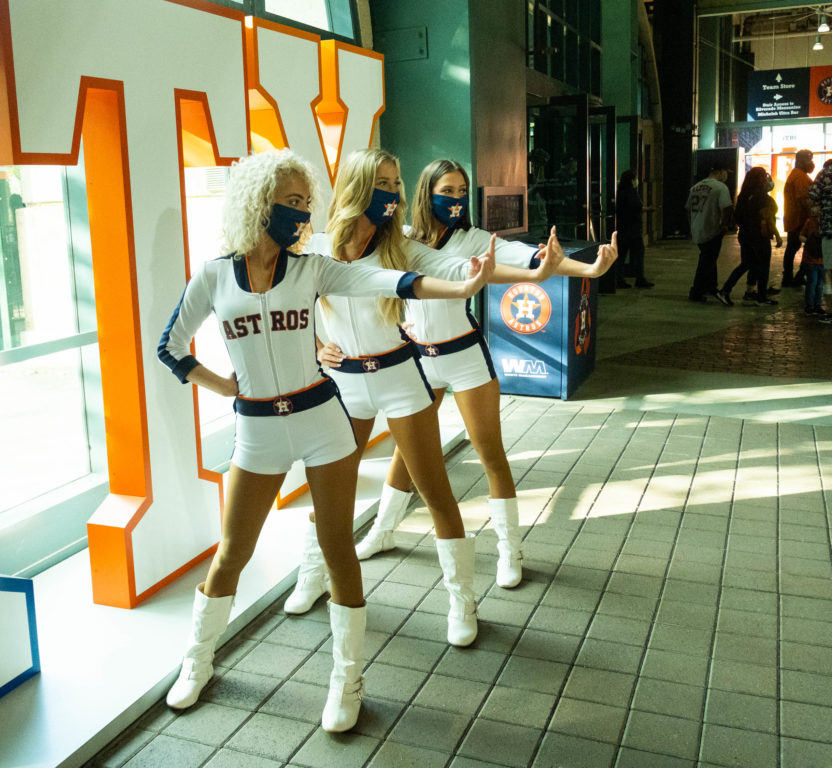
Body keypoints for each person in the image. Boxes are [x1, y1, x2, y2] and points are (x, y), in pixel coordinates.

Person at [158, 149, 497, 732]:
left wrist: (462, 282)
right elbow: (171, 346)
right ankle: (196, 660)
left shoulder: (310, 267)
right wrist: (224, 387)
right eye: (292, 203)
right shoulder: (214, 275)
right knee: (232, 554)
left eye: (306, 203)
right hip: (258, 430)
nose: (302, 213)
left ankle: (347, 679)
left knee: (340, 547)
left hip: (323, 420)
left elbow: (385, 279)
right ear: (257, 205)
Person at [280, 148, 548, 650]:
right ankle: (312, 576)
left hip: (402, 378)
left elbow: (457, 270)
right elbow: (288, 302)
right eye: (384, 182)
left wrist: (533, 272)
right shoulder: (314, 248)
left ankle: (461, 599)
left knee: (436, 490)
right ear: (358, 187)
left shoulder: (401, 249)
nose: (394, 192)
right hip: (346, 387)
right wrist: (317, 346)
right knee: (328, 492)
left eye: (398, 182)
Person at [332, 158, 617, 592]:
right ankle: (383, 531)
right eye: (448, 191)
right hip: (415, 361)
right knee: (405, 456)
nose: (457, 200)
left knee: (490, 453)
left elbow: (530, 260)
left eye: (462, 193)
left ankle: (510, 550)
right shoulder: (400, 240)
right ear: (426, 193)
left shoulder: (475, 238)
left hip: (464, 357)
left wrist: (588, 269)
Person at [719, 167, 778, 307]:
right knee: (763, 265)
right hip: (758, 235)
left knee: (748, 263)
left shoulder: (743, 195)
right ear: (760, 179)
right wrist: (776, 234)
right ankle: (761, 297)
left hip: (745, 234)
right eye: (764, 177)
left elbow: (738, 216)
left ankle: (727, 290)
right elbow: (766, 217)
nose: (767, 180)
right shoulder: (761, 196)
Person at [686, 164, 734, 304]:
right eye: (726, 171)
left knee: (709, 259)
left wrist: (692, 226)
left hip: (698, 229)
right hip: (712, 229)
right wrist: (724, 226)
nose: (726, 175)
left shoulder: (695, 187)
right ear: (719, 171)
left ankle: (711, 287)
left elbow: (687, 209)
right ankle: (696, 291)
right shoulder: (720, 187)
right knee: (706, 261)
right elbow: (727, 207)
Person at [781, 149, 815, 287]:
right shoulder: (800, 177)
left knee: (793, 248)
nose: (811, 163)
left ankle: (793, 277)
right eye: (809, 160)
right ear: (800, 160)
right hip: (799, 220)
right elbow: (803, 200)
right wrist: (813, 218)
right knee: (798, 248)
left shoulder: (797, 175)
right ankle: (792, 277)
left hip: (794, 218)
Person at [615, 169, 653, 289]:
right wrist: (649, 209)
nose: (637, 181)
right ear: (632, 180)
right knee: (638, 253)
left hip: (622, 228)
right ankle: (639, 278)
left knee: (621, 255)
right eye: (636, 178)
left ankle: (619, 279)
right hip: (632, 230)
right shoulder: (631, 192)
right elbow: (636, 207)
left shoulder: (620, 191)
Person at [808, 157, 832, 308]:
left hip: (829, 230)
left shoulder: (824, 174)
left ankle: (830, 311)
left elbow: (811, 198)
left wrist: (817, 207)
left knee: (829, 272)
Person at [800, 212, 826, 317]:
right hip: (813, 259)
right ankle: (812, 305)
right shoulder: (811, 221)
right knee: (814, 283)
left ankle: (815, 305)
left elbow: (801, 236)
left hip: (819, 259)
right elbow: (801, 236)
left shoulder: (811, 220)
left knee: (817, 284)